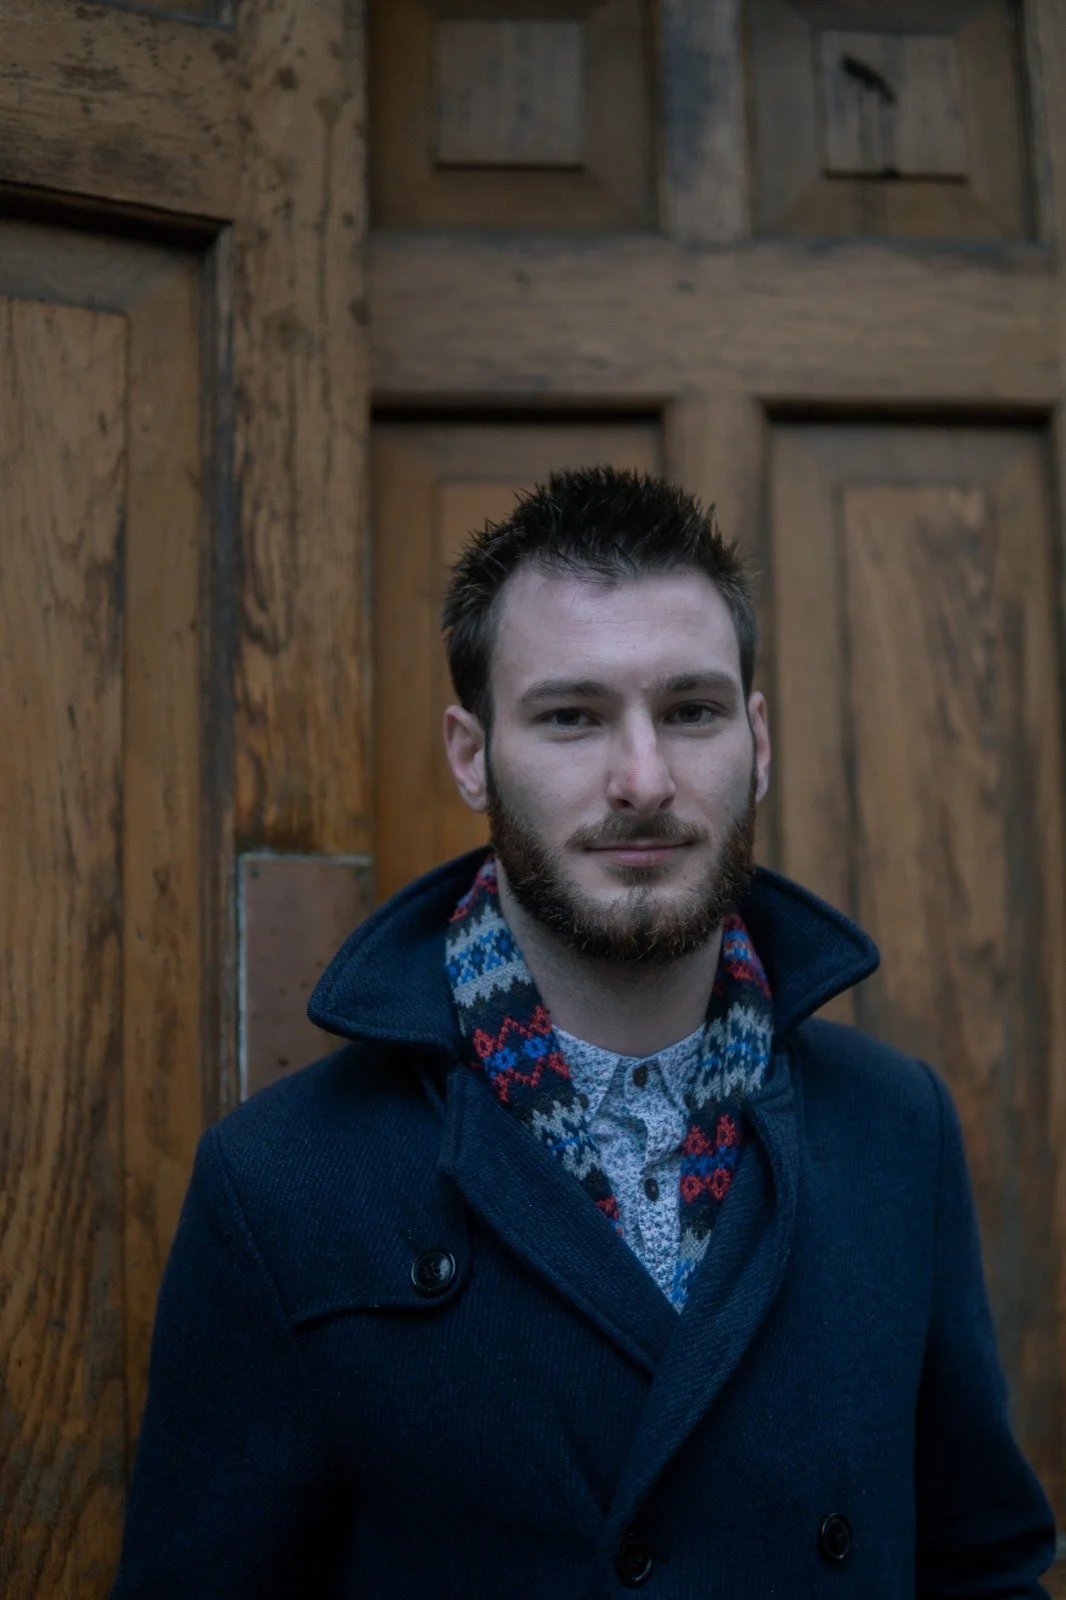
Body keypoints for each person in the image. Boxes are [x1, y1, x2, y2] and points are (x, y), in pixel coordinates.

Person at [112, 467, 1056, 1598]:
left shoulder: (894, 1125)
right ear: (471, 754)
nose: (643, 779)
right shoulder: (281, 1183)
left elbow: (983, 1567)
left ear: (756, 739)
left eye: (691, 711)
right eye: (572, 716)